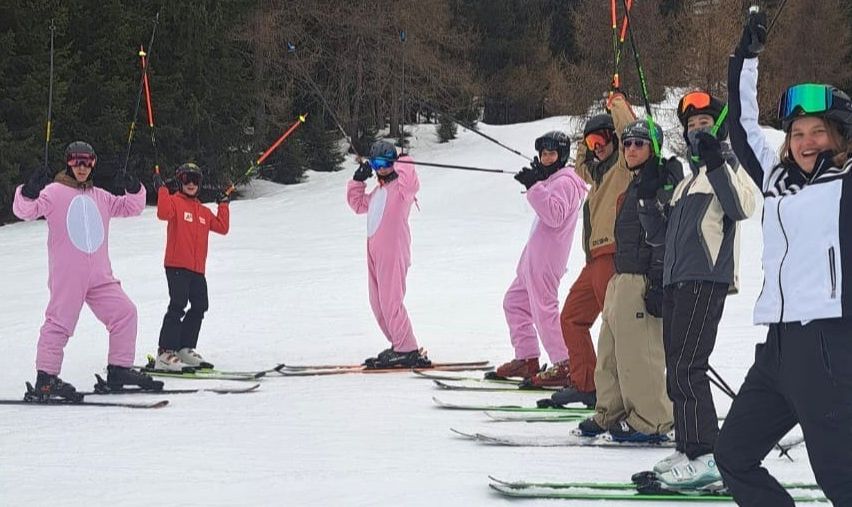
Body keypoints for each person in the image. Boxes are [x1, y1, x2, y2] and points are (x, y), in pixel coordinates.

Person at [716, 10, 852, 505]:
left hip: (828, 350)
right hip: (775, 352)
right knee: (732, 455)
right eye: (797, 134)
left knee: (841, 481)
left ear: (839, 136)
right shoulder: (777, 186)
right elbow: (744, 128)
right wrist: (745, 59)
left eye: (818, 133)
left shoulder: (846, 184)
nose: (805, 142)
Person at [637, 91, 757, 489]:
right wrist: (646, 196)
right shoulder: (688, 182)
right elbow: (659, 236)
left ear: (719, 129)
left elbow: (741, 207)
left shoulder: (728, 167)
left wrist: (717, 160)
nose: (696, 132)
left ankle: (708, 455)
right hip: (677, 280)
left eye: (704, 124)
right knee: (678, 367)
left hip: (706, 279)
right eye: (690, 127)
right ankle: (688, 447)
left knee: (690, 366)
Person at [12, 141, 160, 399]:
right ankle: (46, 379)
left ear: (94, 164)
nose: (82, 167)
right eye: (76, 161)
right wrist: (28, 191)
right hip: (69, 276)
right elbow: (25, 211)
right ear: (68, 162)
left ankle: (119, 370)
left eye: (88, 162)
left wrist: (134, 187)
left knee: (125, 313)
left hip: (100, 275)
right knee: (60, 322)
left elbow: (131, 207)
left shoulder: (100, 196)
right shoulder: (53, 192)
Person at [575, 120, 681, 440]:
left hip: (642, 280)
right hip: (620, 278)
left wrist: (659, 282)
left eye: (640, 144)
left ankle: (653, 421)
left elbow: (665, 236)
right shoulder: (634, 183)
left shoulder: (662, 180)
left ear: (654, 148)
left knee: (639, 355)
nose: (631, 149)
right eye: (628, 144)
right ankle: (612, 411)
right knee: (609, 353)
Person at [551, 92, 635, 397]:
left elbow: (630, 133)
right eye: (591, 144)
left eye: (601, 140)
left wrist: (617, 105)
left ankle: (627, 391)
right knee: (572, 317)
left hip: (613, 254)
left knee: (615, 329)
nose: (596, 148)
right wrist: (586, 135)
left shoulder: (624, 168)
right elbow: (580, 167)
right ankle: (587, 384)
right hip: (594, 261)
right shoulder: (596, 175)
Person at [493, 131, 588, 386]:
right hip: (532, 260)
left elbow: (554, 215)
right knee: (514, 303)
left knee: (544, 311)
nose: (546, 158)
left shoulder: (568, 181)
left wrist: (535, 185)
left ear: (563, 155)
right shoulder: (554, 179)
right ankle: (527, 359)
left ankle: (565, 363)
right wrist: (538, 181)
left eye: (552, 153)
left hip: (547, 260)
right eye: (543, 154)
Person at [348, 140, 429, 369]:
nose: (380, 168)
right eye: (375, 163)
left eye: (385, 162)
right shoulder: (378, 192)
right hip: (374, 253)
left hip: (393, 251)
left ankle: (407, 348)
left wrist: (404, 161)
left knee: (391, 300)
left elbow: (412, 183)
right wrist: (357, 180)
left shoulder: (402, 191)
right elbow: (357, 204)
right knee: (378, 302)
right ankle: (399, 344)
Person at [152, 162, 230, 371]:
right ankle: (165, 352)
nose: (191, 184)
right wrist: (161, 190)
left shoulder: (203, 211)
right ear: (180, 181)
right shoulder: (174, 203)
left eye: (195, 180)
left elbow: (222, 228)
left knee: (200, 306)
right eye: (187, 179)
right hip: (177, 265)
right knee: (178, 305)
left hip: (197, 269)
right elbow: (162, 213)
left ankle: (184, 348)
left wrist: (223, 204)